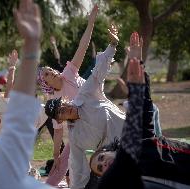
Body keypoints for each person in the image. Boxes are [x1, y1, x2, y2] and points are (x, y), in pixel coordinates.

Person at [88, 33, 190, 188]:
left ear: (108, 150)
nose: (104, 163)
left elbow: (146, 106)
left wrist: (138, 64)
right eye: (100, 168)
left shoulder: (140, 142)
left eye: (101, 158)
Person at [0, 0, 53, 188]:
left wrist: (16, 64)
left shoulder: (3, 110)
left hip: (42, 113)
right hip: (35, 123)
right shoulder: (3, 136)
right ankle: (32, 172)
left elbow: (13, 90)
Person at [44, 26, 125, 189]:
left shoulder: (84, 94)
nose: (64, 109)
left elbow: (97, 73)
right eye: (60, 112)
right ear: (60, 118)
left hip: (129, 128)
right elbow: (76, 166)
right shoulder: (75, 137)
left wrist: (112, 45)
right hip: (117, 156)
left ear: (66, 100)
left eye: (62, 105)